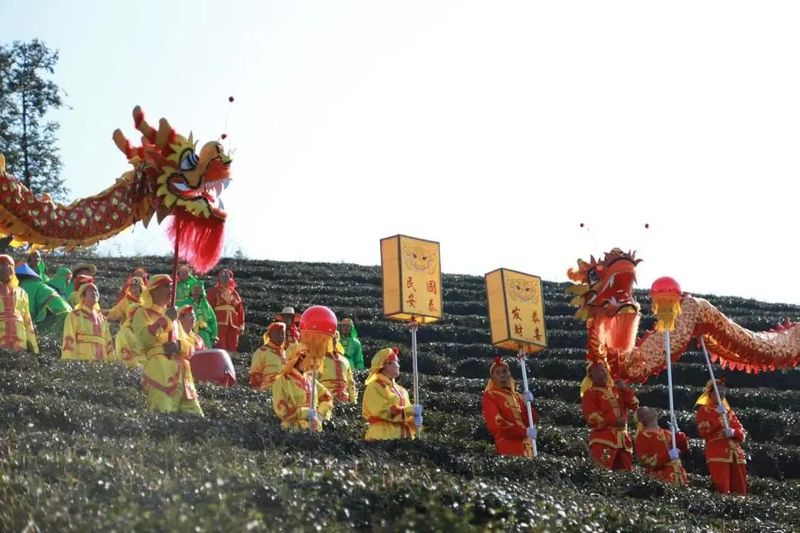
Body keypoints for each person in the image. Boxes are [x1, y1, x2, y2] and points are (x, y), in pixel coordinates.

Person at [132, 274, 202, 415]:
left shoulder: (174, 318)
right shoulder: (142, 313)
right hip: (160, 373)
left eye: (172, 287)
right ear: (154, 290)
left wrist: (178, 346)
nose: (171, 290)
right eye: (166, 286)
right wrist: (165, 320)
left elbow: (190, 347)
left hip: (184, 378)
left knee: (197, 418)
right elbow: (143, 340)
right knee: (163, 415)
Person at [581, 361, 639, 470]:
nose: (602, 373)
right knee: (602, 471)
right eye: (598, 371)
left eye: (604, 370)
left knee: (625, 474)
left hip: (623, 441)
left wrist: (625, 389)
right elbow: (592, 416)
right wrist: (613, 421)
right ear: (590, 376)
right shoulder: (590, 393)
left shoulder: (617, 390)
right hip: (603, 439)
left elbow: (634, 404)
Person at [695, 378, 748, 494]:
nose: (722, 392)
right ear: (710, 393)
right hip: (718, 452)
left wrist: (733, 432)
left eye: (723, 390)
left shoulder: (729, 413)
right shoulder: (703, 411)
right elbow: (704, 430)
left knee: (740, 489)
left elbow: (741, 433)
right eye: (718, 390)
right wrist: (717, 414)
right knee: (722, 487)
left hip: (736, 454)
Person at [481, 356, 539, 457]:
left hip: (527, 445)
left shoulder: (518, 396)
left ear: (509, 374)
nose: (502, 375)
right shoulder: (490, 396)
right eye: (498, 373)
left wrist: (527, 405)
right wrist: (523, 432)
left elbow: (532, 420)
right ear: (492, 378)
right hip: (508, 445)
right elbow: (497, 423)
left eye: (505, 371)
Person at [362, 347, 421, 440]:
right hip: (383, 438)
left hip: (405, 439)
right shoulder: (374, 387)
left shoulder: (402, 390)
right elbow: (382, 411)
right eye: (396, 362)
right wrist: (409, 411)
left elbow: (408, 415)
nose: (398, 366)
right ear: (386, 364)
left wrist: (414, 421)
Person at [272, 343, 333, 430]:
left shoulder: (311, 380)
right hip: (292, 431)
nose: (311, 360)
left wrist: (319, 414)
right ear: (297, 358)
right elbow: (283, 412)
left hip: (314, 429)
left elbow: (327, 397)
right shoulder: (281, 381)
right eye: (304, 356)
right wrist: (306, 412)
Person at [61, 282, 115, 361]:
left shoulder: (102, 319)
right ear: (83, 296)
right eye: (91, 291)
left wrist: (112, 361)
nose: (94, 293)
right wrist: (69, 361)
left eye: (96, 291)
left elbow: (109, 342)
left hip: (102, 362)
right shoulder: (74, 316)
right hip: (82, 361)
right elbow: (69, 338)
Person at [634, 406, 688, 486]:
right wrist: (668, 456)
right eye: (647, 410)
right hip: (662, 477)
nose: (651, 409)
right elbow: (646, 461)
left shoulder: (667, 432)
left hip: (679, 474)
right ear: (642, 418)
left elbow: (683, 448)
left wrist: (677, 433)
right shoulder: (642, 437)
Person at [15, 262, 72, 337]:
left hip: (55, 313)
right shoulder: (36, 283)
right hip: (65, 311)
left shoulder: (25, 286)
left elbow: (29, 309)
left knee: (44, 338)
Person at [0, 255, 38, 353]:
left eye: (6, 265)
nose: (3, 268)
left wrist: (34, 348)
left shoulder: (22, 292)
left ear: (12, 270)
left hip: (20, 340)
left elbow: (27, 320)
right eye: (1, 265)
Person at [207, 268, 244, 351]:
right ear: (219, 278)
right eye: (223, 277)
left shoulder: (235, 293)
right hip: (219, 321)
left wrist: (241, 326)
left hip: (233, 323)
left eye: (227, 277)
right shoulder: (213, 291)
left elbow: (240, 310)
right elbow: (208, 307)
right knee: (220, 345)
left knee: (233, 345)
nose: (225, 279)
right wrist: (209, 322)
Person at [176, 279, 218, 349]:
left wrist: (214, 336)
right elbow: (178, 316)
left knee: (206, 352)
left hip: (205, 333)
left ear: (202, 291)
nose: (197, 290)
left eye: (199, 288)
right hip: (190, 332)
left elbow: (213, 321)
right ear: (191, 290)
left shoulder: (206, 304)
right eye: (194, 288)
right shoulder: (185, 302)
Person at [320, 331, 358, 404]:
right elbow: (313, 382)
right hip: (325, 403)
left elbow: (350, 383)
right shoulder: (318, 360)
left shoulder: (344, 360)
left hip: (344, 403)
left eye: (334, 339)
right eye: (330, 339)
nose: (332, 341)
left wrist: (353, 401)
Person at [249, 322, 287, 390]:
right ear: (269, 335)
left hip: (284, 392)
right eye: (278, 334)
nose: (281, 336)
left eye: (283, 334)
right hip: (268, 390)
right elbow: (255, 374)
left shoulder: (285, 353)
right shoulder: (261, 352)